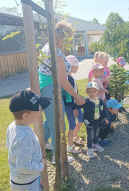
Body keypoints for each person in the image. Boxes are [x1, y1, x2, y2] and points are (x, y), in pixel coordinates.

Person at [38, 19, 85, 165]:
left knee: (50, 119)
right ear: (62, 36)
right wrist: (76, 96)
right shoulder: (56, 53)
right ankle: (56, 157)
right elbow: (63, 81)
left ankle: (44, 141)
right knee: (58, 123)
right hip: (50, 89)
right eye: (69, 37)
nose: (70, 40)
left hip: (47, 88)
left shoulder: (50, 47)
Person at [6, 90, 51, 191]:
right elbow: (23, 166)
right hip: (28, 183)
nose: (41, 111)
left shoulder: (14, 126)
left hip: (19, 180)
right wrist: (41, 165)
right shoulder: (24, 136)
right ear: (26, 115)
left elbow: (13, 146)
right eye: (38, 109)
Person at [76, 82, 108, 158]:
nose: (92, 93)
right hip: (89, 122)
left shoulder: (100, 101)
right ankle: (89, 148)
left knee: (96, 134)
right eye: (89, 91)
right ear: (87, 92)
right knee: (90, 136)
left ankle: (95, 145)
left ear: (98, 92)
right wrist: (77, 103)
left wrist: (105, 118)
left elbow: (103, 110)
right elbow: (78, 105)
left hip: (98, 121)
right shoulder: (86, 100)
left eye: (94, 91)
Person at [63, 55, 84, 154]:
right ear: (70, 66)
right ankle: (70, 146)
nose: (78, 67)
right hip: (70, 106)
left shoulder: (71, 77)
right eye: (76, 66)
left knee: (81, 118)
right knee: (72, 124)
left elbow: (74, 92)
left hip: (75, 104)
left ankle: (75, 137)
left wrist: (79, 97)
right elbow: (68, 97)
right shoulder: (67, 79)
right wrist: (74, 108)